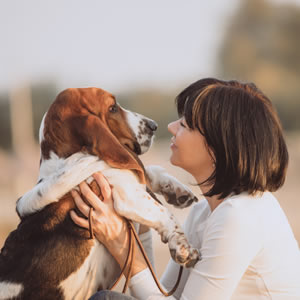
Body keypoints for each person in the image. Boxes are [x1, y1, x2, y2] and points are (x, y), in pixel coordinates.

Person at [70, 78, 300, 300]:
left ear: (218, 144)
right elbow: (164, 293)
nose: (171, 127)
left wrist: (120, 243)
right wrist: (137, 230)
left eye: (185, 124)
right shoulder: (205, 212)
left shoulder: (240, 215)